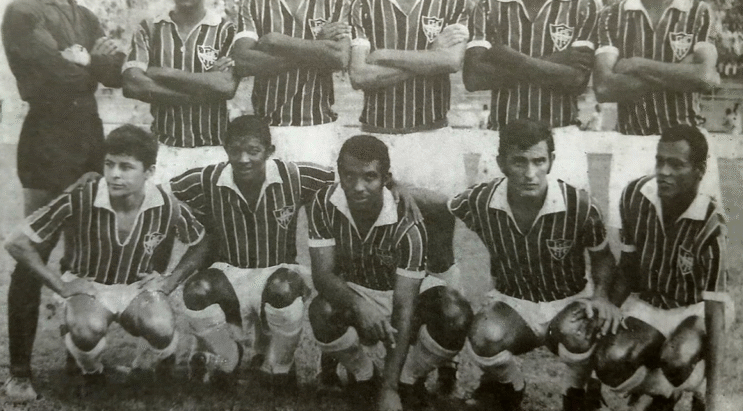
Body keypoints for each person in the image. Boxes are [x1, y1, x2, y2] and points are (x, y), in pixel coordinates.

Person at [0, 0, 124, 401]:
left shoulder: (84, 15)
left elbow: (110, 73)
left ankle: (79, 354)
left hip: (89, 137)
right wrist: (86, 64)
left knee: (84, 251)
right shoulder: (22, 11)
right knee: (35, 251)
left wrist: (85, 60)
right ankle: (19, 371)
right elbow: (52, 74)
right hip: (46, 139)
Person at [3, 125, 207, 392]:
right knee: (87, 328)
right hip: (91, 287)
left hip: (136, 288)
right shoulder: (82, 196)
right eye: (109, 164)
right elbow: (17, 242)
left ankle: (161, 362)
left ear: (149, 172)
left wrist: (170, 282)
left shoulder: (166, 204)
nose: (114, 174)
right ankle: (92, 371)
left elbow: (200, 241)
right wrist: (61, 286)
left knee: (161, 326)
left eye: (126, 167)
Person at [449, 119, 620, 411]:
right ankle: (509, 387)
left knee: (580, 332)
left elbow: (603, 257)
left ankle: (576, 392)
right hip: (513, 303)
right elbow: (442, 206)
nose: (530, 173)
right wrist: (397, 189)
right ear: (501, 163)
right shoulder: (479, 200)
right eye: (519, 161)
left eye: (539, 161)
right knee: (483, 335)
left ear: (551, 161)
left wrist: (602, 295)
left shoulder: (579, 205)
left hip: (569, 302)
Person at [168, 115, 335, 391]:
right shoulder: (208, 179)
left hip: (278, 272)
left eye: (253, 151)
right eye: (235, 150)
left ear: (269, 151)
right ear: (225, 150)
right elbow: (159, 193)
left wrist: (395, 186)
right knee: (195, 291)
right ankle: (229, 356)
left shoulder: (295, 176)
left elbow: (346, 178)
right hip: (229, 274)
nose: (243, 159)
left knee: (283, 288)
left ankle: (280, 368)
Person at [308, 135, 473, 411]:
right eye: (349, 176)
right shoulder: (324, 203)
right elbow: (323, 277)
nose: (358, 186)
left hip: (403, 293)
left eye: (369, 177)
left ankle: (407, 379)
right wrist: (359, 305)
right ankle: (364, 375)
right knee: (321, 311)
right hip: (357, 289)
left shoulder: (408, 222)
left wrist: (390, 389)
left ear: (386, 178)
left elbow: (404, 307)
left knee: (455, 314)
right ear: (339, 174)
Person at [593, 0, 722, 245]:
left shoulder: (699, 12)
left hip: (688, 148)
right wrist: (680, 71)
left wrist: (636, 64)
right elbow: (604, 87)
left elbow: (705, 77)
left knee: (697, 245)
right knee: (627, 249)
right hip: (632, 144)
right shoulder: (612, 16)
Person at [594, 125, 732, 411]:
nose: (664, 172)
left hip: (694, 309)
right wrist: (607, 307)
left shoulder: (712, 223)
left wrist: (714, 396)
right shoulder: (635, 195)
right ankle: (661, 390)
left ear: (699, 171)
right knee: (609, 362)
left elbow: (714, 310)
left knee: (678, 359)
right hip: (651, 305)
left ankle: (694, 383)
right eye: (660, 161)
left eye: (676, 165)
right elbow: (628, 269)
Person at [463, 0, 598, 190]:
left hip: (561, 136)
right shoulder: (491, 4)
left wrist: (509, 56)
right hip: (501, 137)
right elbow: (474, 78)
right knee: (495, 215)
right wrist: (558, 61)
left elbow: (576, 81)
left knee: (564, 215)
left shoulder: (581, 5)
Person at [348, 0, 469, 194]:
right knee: (380, 222)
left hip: (433, 138)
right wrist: (431, 56)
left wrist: (385, 55)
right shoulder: (365, 4)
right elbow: (359, 76)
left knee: (439, 221)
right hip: (378, 139)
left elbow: (451, 61)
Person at [233, 0, 351, 166]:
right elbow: (242, 61)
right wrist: (317, 47)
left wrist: (278, 41)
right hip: (266, 131)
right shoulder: (255, 0)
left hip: (318, 129)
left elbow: (340, 57)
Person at [122, 0, 238, 184]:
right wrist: (204, 87)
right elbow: (133, 84)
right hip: (164, 151)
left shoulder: (225, 30)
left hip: (212, 151)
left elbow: (226, 86)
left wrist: (162, 72)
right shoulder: (150, 28)